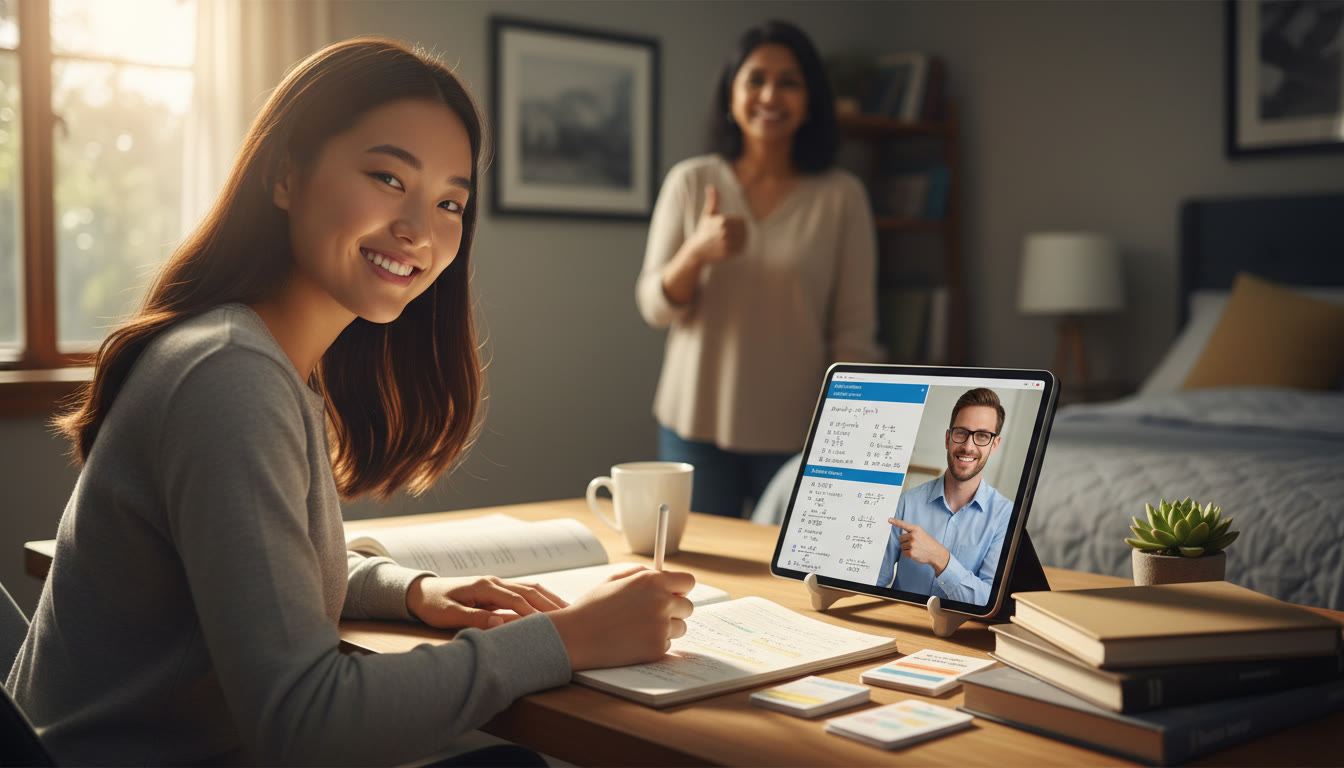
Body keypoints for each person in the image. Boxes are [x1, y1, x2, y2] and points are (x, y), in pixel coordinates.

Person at [7, 38, 694, 767]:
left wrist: (412, 592)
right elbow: (305, 724)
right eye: (388, 177)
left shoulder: (255, 356)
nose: (420, 230)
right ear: (285, 175)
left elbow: (262, 575)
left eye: (449, 202)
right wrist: (569, 639)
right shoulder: (229, 374)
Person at [635, 20, 882, 519]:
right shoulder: (691, 181)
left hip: (799, 430)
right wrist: (697, 251)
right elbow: (654, 306)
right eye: (756, 79)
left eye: (789, 81)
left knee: (788, 581)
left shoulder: (841, 196)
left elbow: (854, 329)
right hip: (695, 422)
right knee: (699, 577)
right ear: (731, 93)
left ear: (810, 100)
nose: (771, 94)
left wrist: (847, 432)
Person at [875, 388, 1013, 605]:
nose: (968, 447)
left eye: (982, 436)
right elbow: (875, 582)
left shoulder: (1006, 516)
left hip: (958, 637)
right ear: (948, 438)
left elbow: (990, 602)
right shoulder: (907, 502)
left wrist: (940, 558)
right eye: (961, 433)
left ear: (994, 445)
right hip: (899, 627)